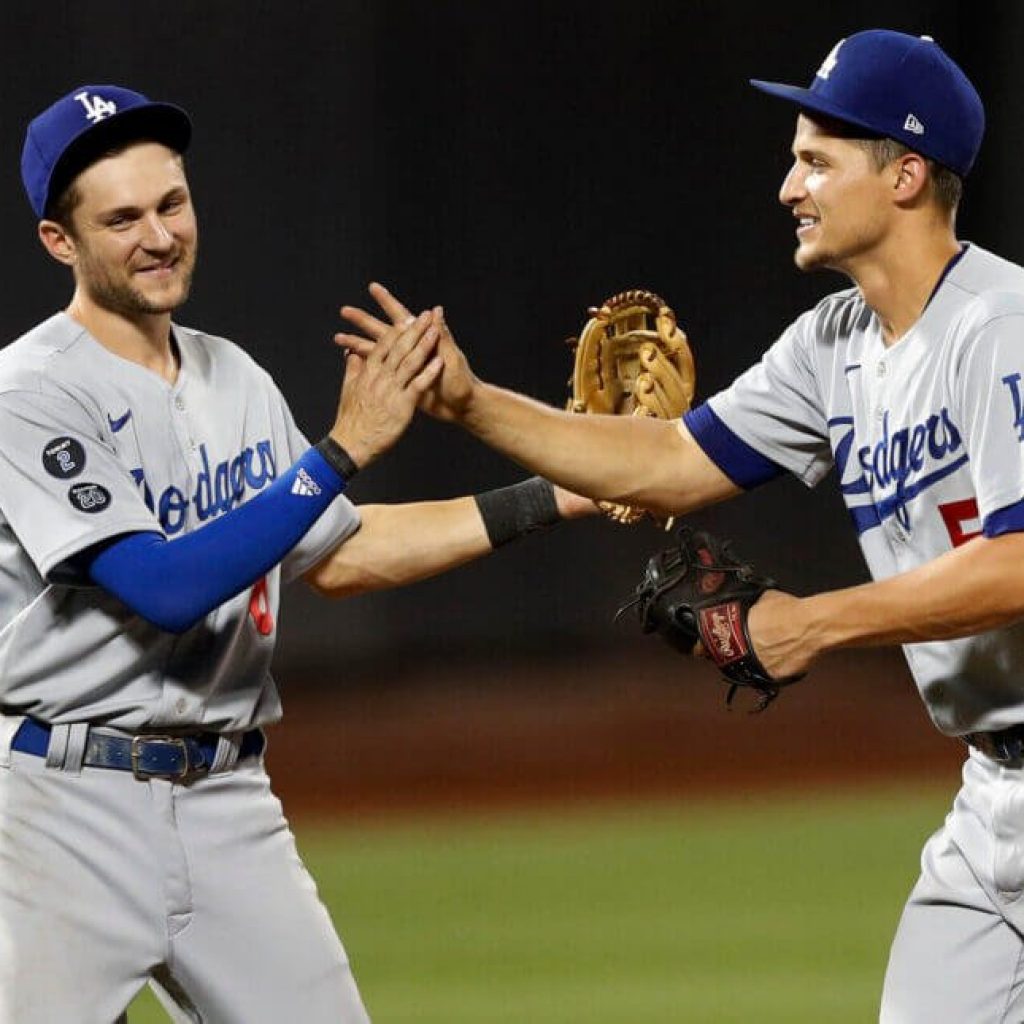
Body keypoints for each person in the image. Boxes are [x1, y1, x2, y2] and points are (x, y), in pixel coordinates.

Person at [342, 29, 1024, 1022]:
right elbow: (666, 463)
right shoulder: (830, 346)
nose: (789, 186)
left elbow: (1015, 565)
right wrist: (472, 401)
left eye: (816, 162)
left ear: (906, 175)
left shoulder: (996, 325)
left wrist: (813, 623)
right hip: (990, 795)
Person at [0, 85, 592, 1024]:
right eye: (121, 219)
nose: (158, 236)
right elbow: (162, 585)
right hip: (62, 812)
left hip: (228, 800)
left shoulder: (232, 375)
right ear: (58, 242)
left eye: (172, 204)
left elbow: (338, 551)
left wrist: (561, 493)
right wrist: (342, 449)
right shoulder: (30, 393)